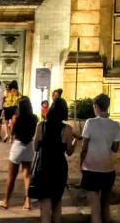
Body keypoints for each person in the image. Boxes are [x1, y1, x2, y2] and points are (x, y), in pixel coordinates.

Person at [28, 91, 77, 223]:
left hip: (43, 168)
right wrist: (75, 142)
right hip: (59, 169)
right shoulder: (67, 129)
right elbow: (69, 152)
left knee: (45, 207)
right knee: (57, 204)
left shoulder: (41, 126)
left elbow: (35, 148)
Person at [77, 93, 120, 223]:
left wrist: (81, 164)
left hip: (92, 169)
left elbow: (84, 148)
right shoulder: (116, 125)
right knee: (105, 207)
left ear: (96, 106)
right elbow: (115, 148)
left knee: (95, 210)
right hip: (108, 171)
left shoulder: (90, 123)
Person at [0, 95, 36, 211]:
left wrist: (10, 124)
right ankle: (28, 202)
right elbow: (33, 133)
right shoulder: (34, 118)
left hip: (18, 146)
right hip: (29, 146)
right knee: (27, 175)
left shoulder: (16, 118)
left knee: (11, 176)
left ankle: (6, 201)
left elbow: (12, 133)